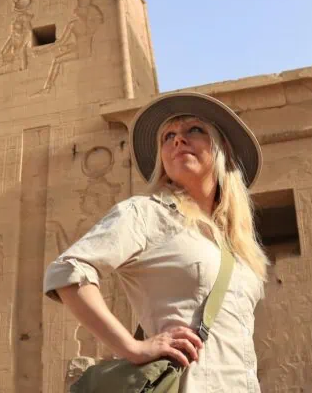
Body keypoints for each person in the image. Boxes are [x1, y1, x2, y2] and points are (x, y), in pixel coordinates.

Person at [44, 92, 269, 391]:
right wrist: (132, 348)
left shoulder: (238, 248)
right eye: (168, 136)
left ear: (223, 148)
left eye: (194, 130)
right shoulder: (148, 213)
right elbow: (67, 271)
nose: (178, 140)